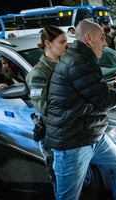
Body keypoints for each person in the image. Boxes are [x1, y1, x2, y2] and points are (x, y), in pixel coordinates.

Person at [45, 19, 116, 200]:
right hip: (72, 142)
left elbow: (92, 90)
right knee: (67, 196)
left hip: (92, 134)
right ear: (88, 38)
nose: (105, 43)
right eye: (102, 38)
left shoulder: (82, 59)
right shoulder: (79, 63)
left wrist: (114, 87)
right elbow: (103, 100)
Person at [25, 25, 68, 192]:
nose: (66, 45)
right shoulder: (39, 73)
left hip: (71, 131)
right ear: (48, 43)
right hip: (54, 133)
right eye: (62, 42)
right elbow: (42, 106)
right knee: (59, 177)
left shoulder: (65, 63)